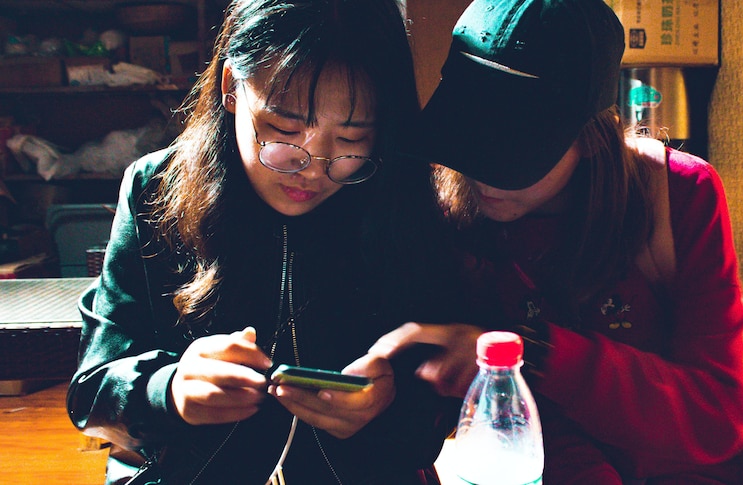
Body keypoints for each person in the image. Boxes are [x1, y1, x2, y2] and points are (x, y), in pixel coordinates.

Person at [66, 1, 467, 483]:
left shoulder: (405, 196)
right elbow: (90, 396)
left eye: (352, 138)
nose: (313, 166)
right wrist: (167, 391)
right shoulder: (155, 190)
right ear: (231, 87)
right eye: (285, 129)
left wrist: (387, 410)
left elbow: (437, 419)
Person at [370, 0, 743, 483]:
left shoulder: (679, 194)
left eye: (513, 152)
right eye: (467, 136)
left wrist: (533, 354)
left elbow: (714, 415)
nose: (482, 173)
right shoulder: (456, 210)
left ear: (591, 135)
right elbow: (519, 426)